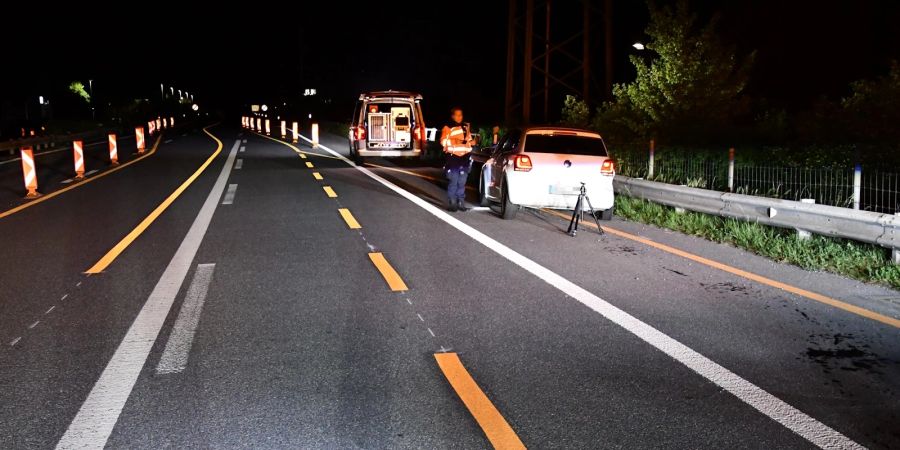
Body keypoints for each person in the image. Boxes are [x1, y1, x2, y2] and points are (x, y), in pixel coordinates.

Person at [440, 107, 474, 212]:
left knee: (462, 181)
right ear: (452, 116)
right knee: (453, 180)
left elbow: (469, 141)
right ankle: (452, 203)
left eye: (461, 115)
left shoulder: (465, 127)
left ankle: (461, 202)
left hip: (464, 158)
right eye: (457, 115)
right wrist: (456, 141)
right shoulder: (447, 127)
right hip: (453, 158)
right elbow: (443, 142)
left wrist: (472, 144)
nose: (459, 117)